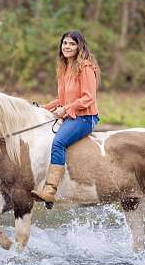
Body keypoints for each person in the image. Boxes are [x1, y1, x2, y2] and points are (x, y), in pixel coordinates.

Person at [32, 31, 100, 205]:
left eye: (71, 44)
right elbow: (61, 100)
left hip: (85, 118)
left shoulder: (85, 67)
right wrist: (42, 109)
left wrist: (66, 109)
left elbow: (88, 98)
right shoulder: (64, 68)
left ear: (79, 47)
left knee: (59, 142)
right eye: (65, 43)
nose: (67, 47)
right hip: (70, 115)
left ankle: (50, 190)